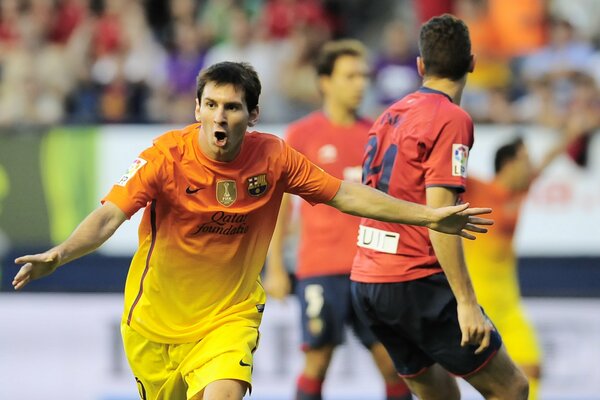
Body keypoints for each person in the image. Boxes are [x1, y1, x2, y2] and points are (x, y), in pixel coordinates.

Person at [12, 61, 493, 400]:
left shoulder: (275, 157)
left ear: (252, 115)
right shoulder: (163, 157)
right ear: (197, 109)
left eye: (233, 107)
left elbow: (345, 194)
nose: (221, 116)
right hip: (154, 325)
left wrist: (427, 215)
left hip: (229, 318)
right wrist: (59, 255)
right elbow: (107, 218)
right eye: (212, 105)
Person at [349, 14, 529, 400]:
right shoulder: (451, 118)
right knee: (512, 388)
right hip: (413, 280)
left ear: (420, 65)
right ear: (473, 63)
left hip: (367, 279)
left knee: (441, 396)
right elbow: (440, 217)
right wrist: (467, 302)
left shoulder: (388, 114)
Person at [264, 40, 411, 400]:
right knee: (317, 362)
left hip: (374, 269)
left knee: (394, 365)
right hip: (320, 268)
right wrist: (276, 268)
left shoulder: (377, 135)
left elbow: (393, 203)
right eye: (350, 76)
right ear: (325, 82)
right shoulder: (301, 135)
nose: (360, 83)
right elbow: (279, 204)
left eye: (363, 75)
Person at [462, 127, 593, 400]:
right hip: (477, 306)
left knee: (531, 368)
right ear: (508, 164)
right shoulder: (476, 190)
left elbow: (549, 157)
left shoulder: (519, 193)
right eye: (525, 159)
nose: (531, 166)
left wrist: (577, 128)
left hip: (508, 306)